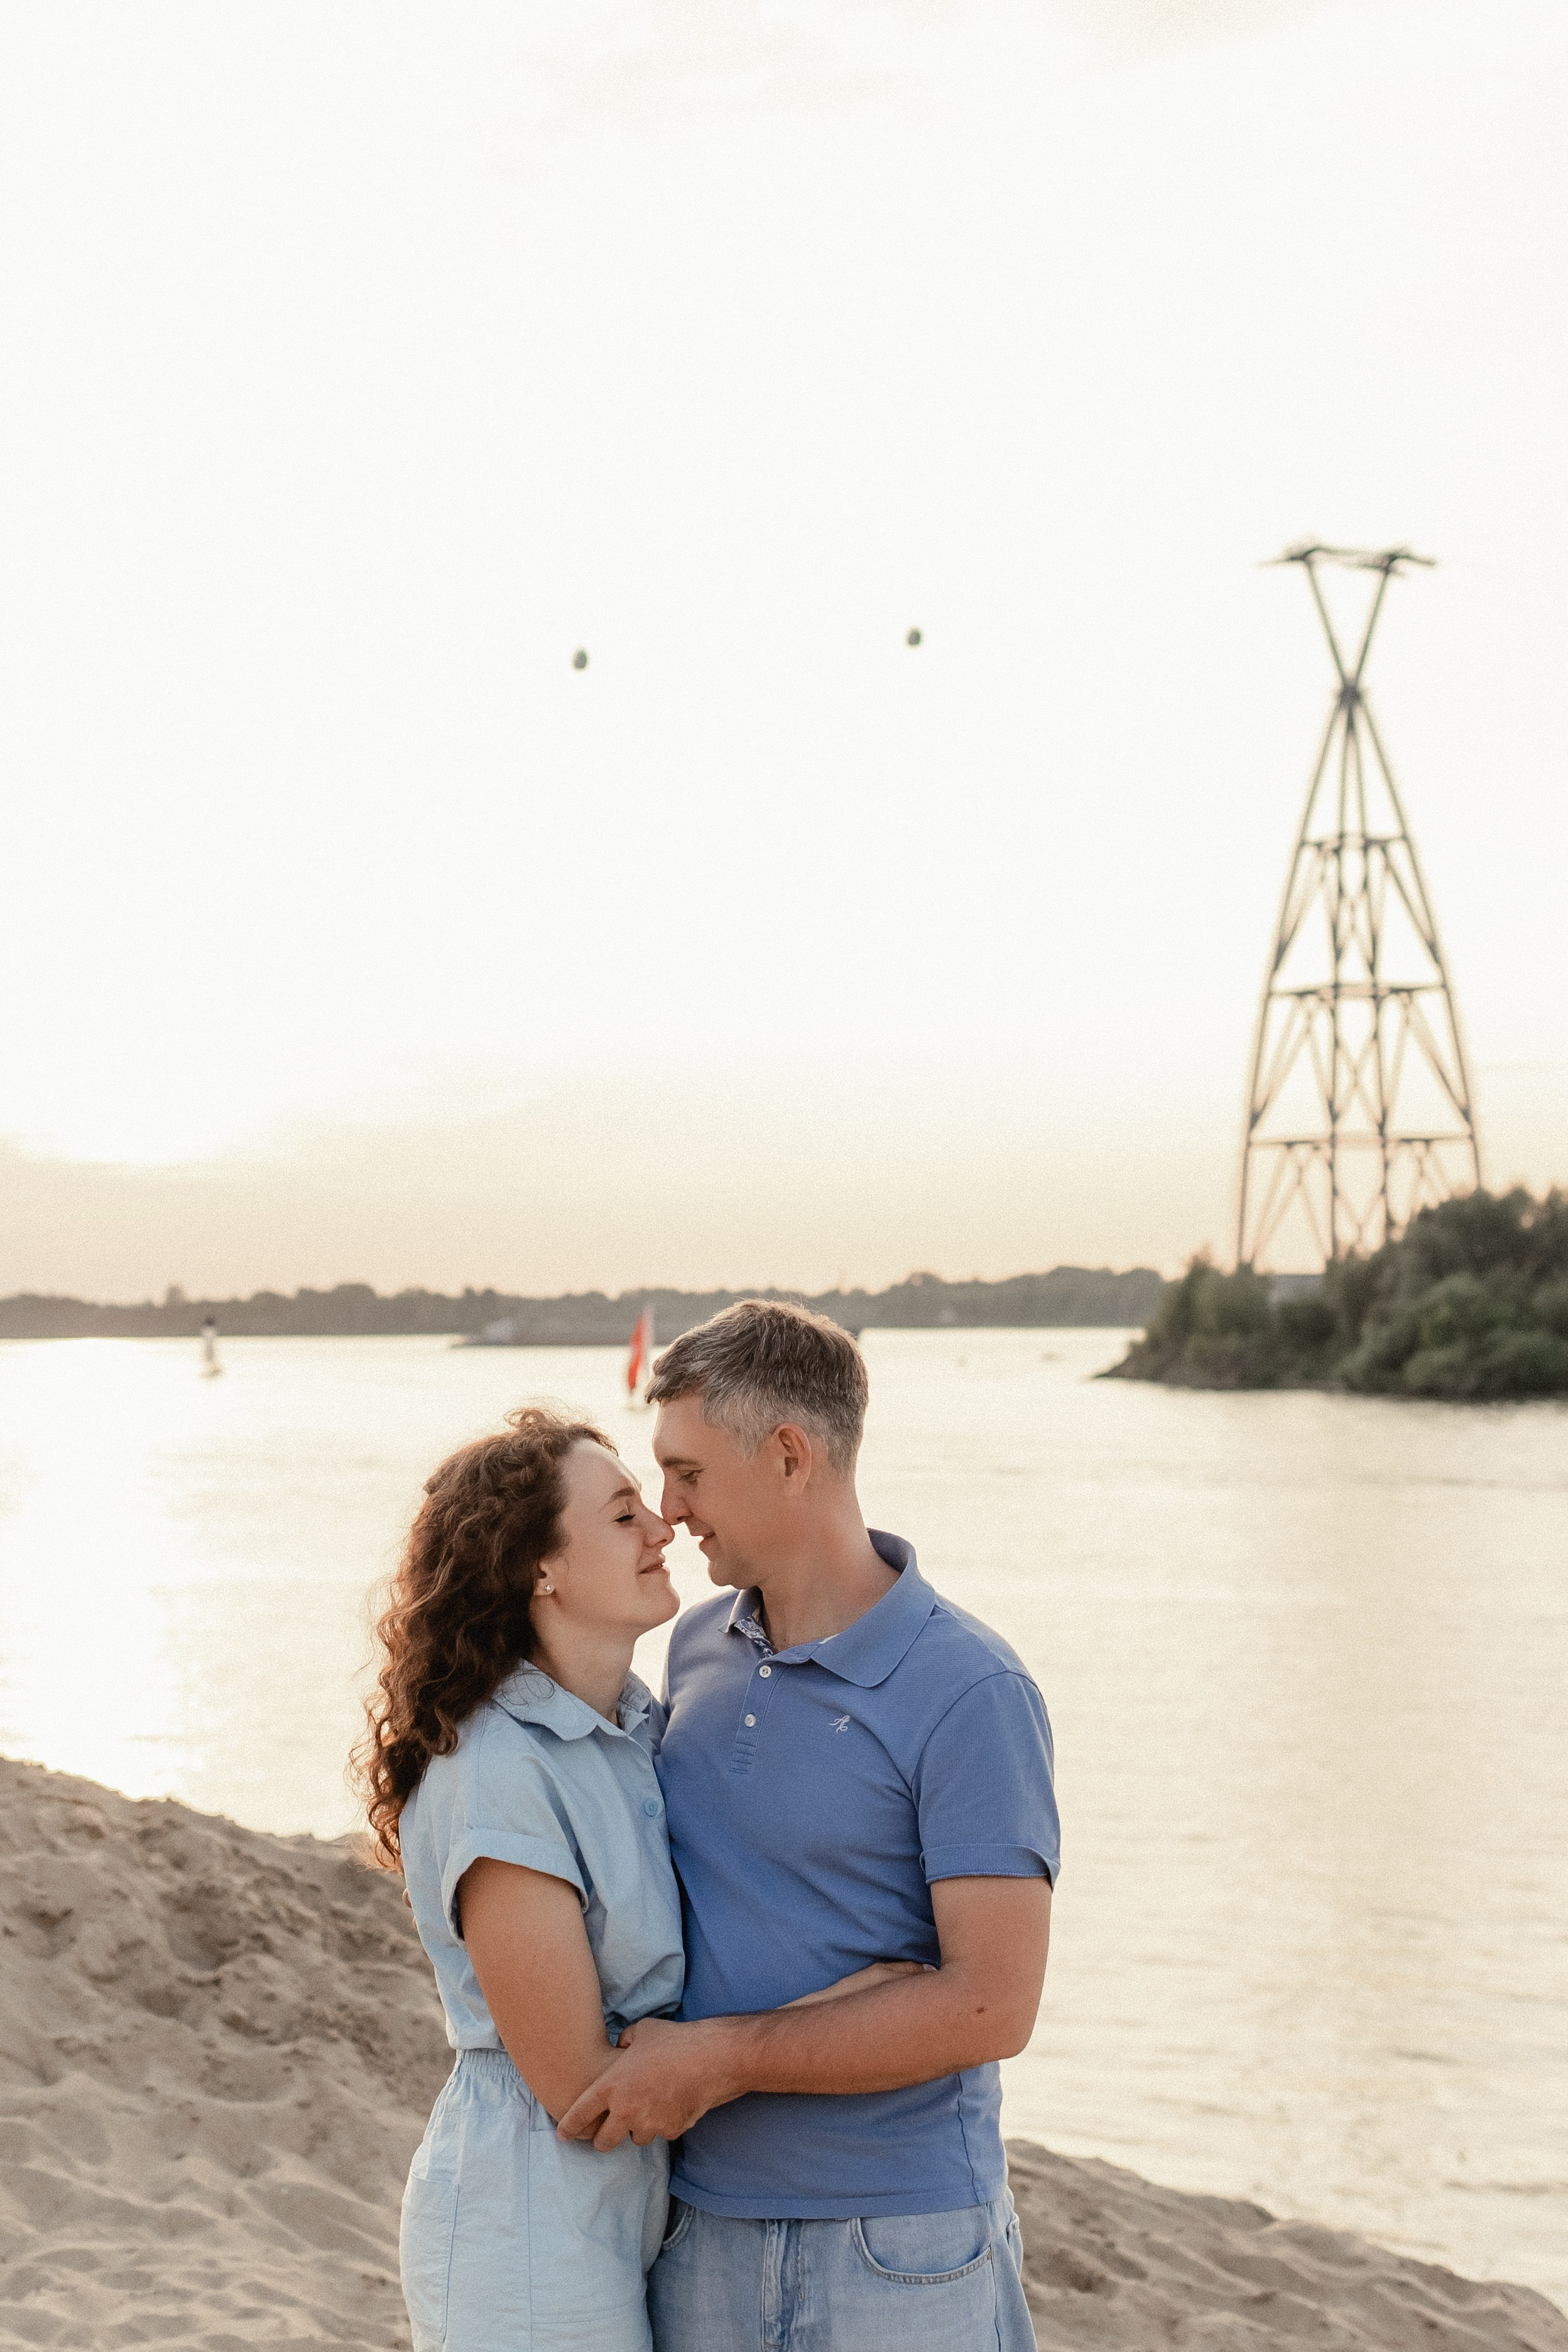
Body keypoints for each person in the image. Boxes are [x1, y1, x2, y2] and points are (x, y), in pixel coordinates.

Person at [357, 1404, 918, 2352]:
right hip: (528, 2219)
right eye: (623, 1516)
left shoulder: (638, 1727)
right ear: (540, 1568)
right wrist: (850, 2012)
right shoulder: (500, 1771)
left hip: (635, 2210)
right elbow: (580, 2083)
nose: (664, 1525)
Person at [556, 1301, 1060, 2352]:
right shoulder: (691, 1648)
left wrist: (724, 2058)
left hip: (902, 2241)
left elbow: (992, 2006)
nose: (668, 1509)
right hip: (699, 2228)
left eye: (688, 1471)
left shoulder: (970, 1688)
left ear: (789, 1456)